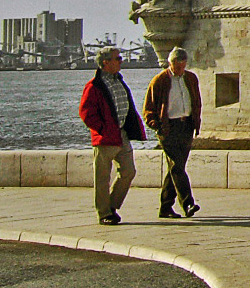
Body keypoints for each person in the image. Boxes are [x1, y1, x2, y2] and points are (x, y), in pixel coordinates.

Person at [78, 46, 145, 225]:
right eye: (117, 58)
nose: (121, 61)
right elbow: (85, 113)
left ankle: (112, 206)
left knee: (129, 171)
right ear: (106, 62)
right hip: (105, 138)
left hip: (122, 135)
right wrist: (103, 129)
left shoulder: (119, 81)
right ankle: (104, 213)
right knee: (102, 178)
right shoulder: (93, 86)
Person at [144, 46, 202, 219]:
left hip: (186, 126)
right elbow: (148, 108)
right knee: (176, 166)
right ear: (170, 63)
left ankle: (165, 207)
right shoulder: (159, 80)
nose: (179, 70)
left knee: (176, 168)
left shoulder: (191, 78)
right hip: (168, 128)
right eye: (177, 67)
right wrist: (157, 126)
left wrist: (195, 121)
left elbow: (196, 101)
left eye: (182, 66)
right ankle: (188, 203)